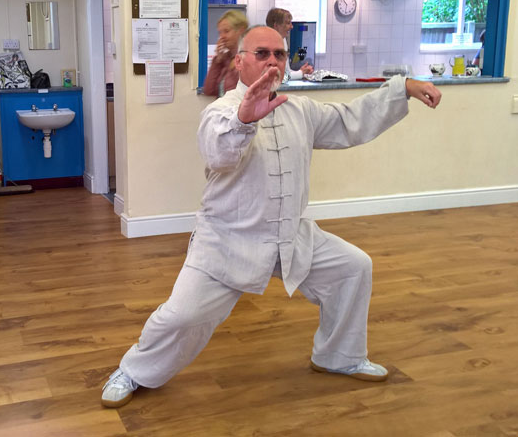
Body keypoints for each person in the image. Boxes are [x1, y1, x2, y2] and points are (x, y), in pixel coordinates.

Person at [101, 26, 442, 408]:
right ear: (240, 60)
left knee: (353, 267)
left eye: (279, 54)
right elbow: (219, 155)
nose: (273, 61)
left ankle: (338, 356)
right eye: (262, 53)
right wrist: (245, 121)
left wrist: (402, 87)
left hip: (289, 236)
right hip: (227, 242)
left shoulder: (298, 109)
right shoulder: (221, 112)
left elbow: (349, 120)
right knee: (182, 317)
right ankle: (132, 371)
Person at [203, 9, 248, 98]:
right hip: (223, 111)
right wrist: (217, 61)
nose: (222, 37)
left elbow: (244, 92)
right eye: (220, 32)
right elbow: (209, 90)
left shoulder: (250, 58)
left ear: (241, 31)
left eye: (226, 31)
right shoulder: (226, 59)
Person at [266, 7, 313, 80]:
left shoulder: (283, 40)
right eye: (288, 23)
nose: (292, 26)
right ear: (276, 26)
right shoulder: (267, 45)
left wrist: (301, 71)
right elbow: (279, 77)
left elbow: (286, 72)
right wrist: (300, 73)